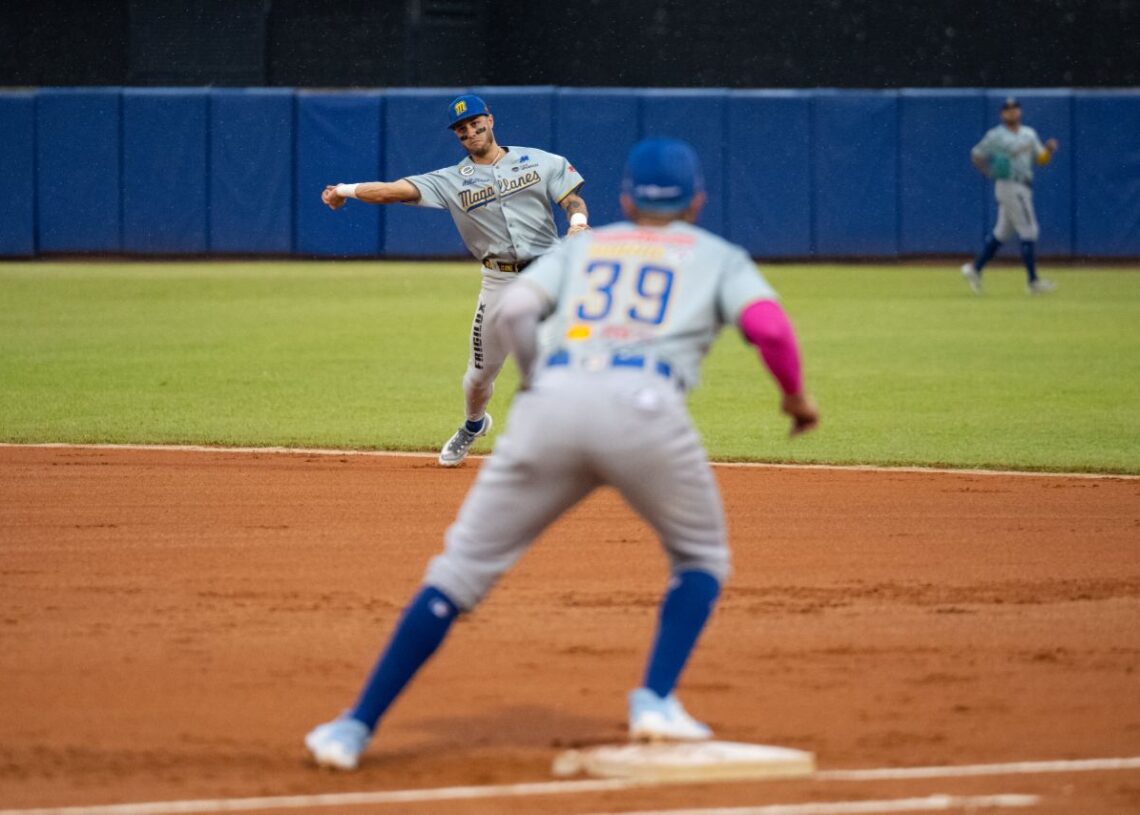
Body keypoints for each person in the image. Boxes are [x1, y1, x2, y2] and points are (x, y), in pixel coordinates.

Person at [305, 137, 820, 771]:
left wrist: (540, 381)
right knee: (701, 557)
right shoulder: (718, 255)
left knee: (458, 574)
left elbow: (517, 311)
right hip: (646, 412)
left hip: (552, 407)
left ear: (627, 199)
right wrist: (795, 398)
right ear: (698, 202)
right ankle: (655, 700)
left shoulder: (591, 247)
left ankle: (352, 728)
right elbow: (768, 328)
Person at [322, 94, 590, 465]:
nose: (469, 130)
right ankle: (474, 425)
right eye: (461, 128)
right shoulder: (450, 180)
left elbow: (572, 199)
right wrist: (344, 190)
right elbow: (392, 191)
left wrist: (578, 225)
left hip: (546, 274)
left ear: (490, 120)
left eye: (475, 122)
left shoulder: (540, 161)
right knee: (479, 377)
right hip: (497, 280)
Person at [960, 97, 1059, 295]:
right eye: (1007, 109)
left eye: (1015, 108)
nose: (1012, 112)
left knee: (1002, 233)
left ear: (1019, 112)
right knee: (1029, 231)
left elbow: (1040, 159)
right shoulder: (996, 135)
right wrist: (988, 171)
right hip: (1009, 185)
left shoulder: (1029, 134)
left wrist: (1048, 151)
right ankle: (1033, 282)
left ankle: (975, 269)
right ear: (1002, 114)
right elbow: (976, 154)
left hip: (1024, 185)